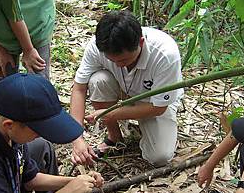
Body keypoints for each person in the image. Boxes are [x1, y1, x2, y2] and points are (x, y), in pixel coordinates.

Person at [70, 10, 183, 167]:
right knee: (98, 80)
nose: (118, 64)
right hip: (124, 88)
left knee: (159, 157)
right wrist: (77, 138)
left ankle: (147, 128)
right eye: (112, 60)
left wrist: (109, 113)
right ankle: (114, 137)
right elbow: (79, 89)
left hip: (153, 102)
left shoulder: (165, 54)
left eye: (124, 60)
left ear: (141, 43)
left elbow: (158, 108)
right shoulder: (98, 46)